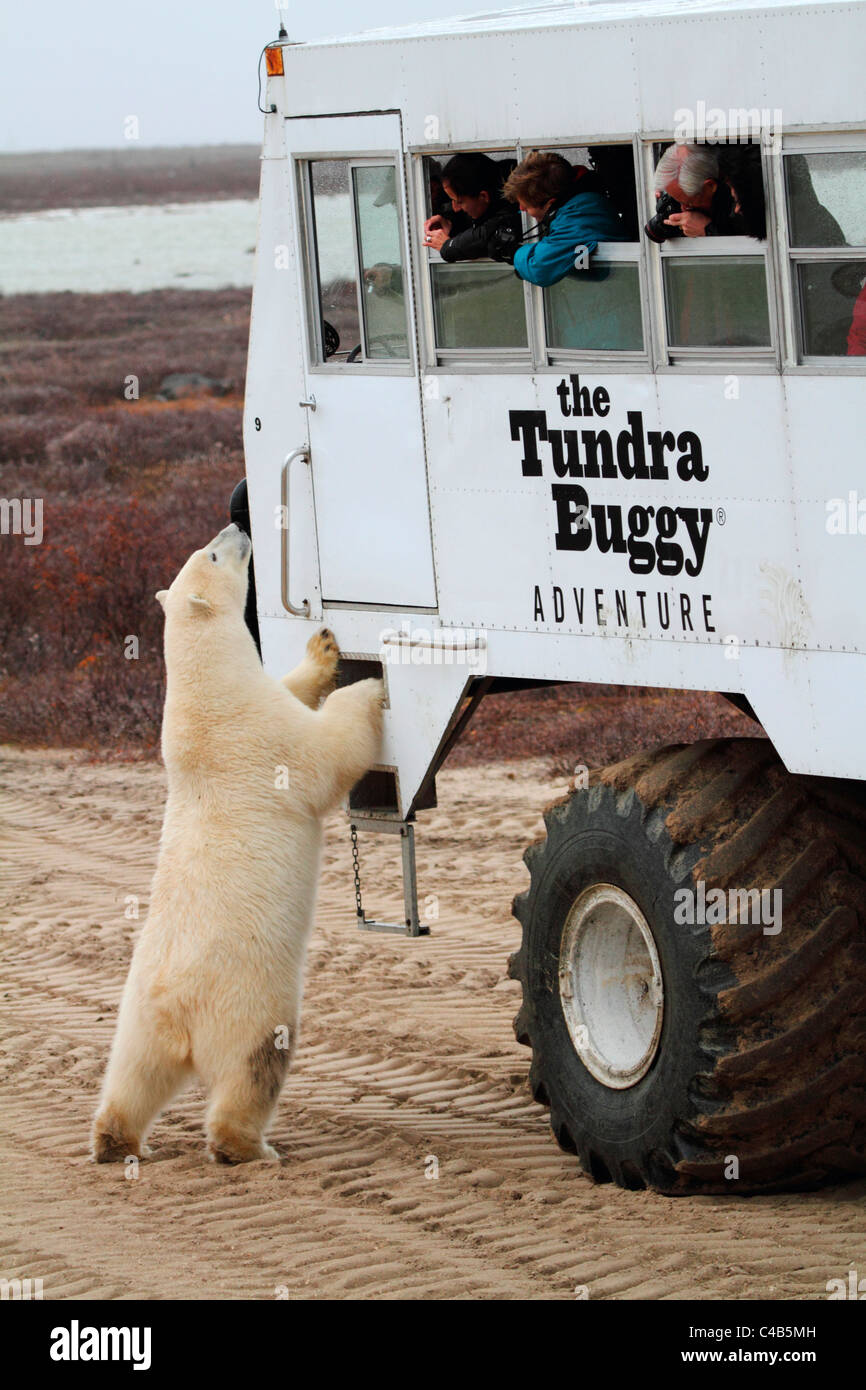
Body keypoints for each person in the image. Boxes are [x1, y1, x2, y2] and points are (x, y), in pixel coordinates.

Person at [501, 150, 628, 287]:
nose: (521, 209)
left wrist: (514, 253)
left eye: (527, 206)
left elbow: (539, 268)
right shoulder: (581, 202)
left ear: (550, 204)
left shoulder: (580, 216)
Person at [423, 152, 521, 261]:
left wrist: (448, 246)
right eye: (452, 201)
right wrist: (451, 224)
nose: (455, 208)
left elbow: (486, 235)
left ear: (483, 196)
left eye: (459, 202)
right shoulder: (490, 190)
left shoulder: (516, 201)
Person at [647, 143, 743, 239]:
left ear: (710, 186)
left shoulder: (741, 200)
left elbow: (750, 245)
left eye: (689, 203)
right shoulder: (687, 194)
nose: (683, 209)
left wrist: (708, 230)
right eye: (677, 200)